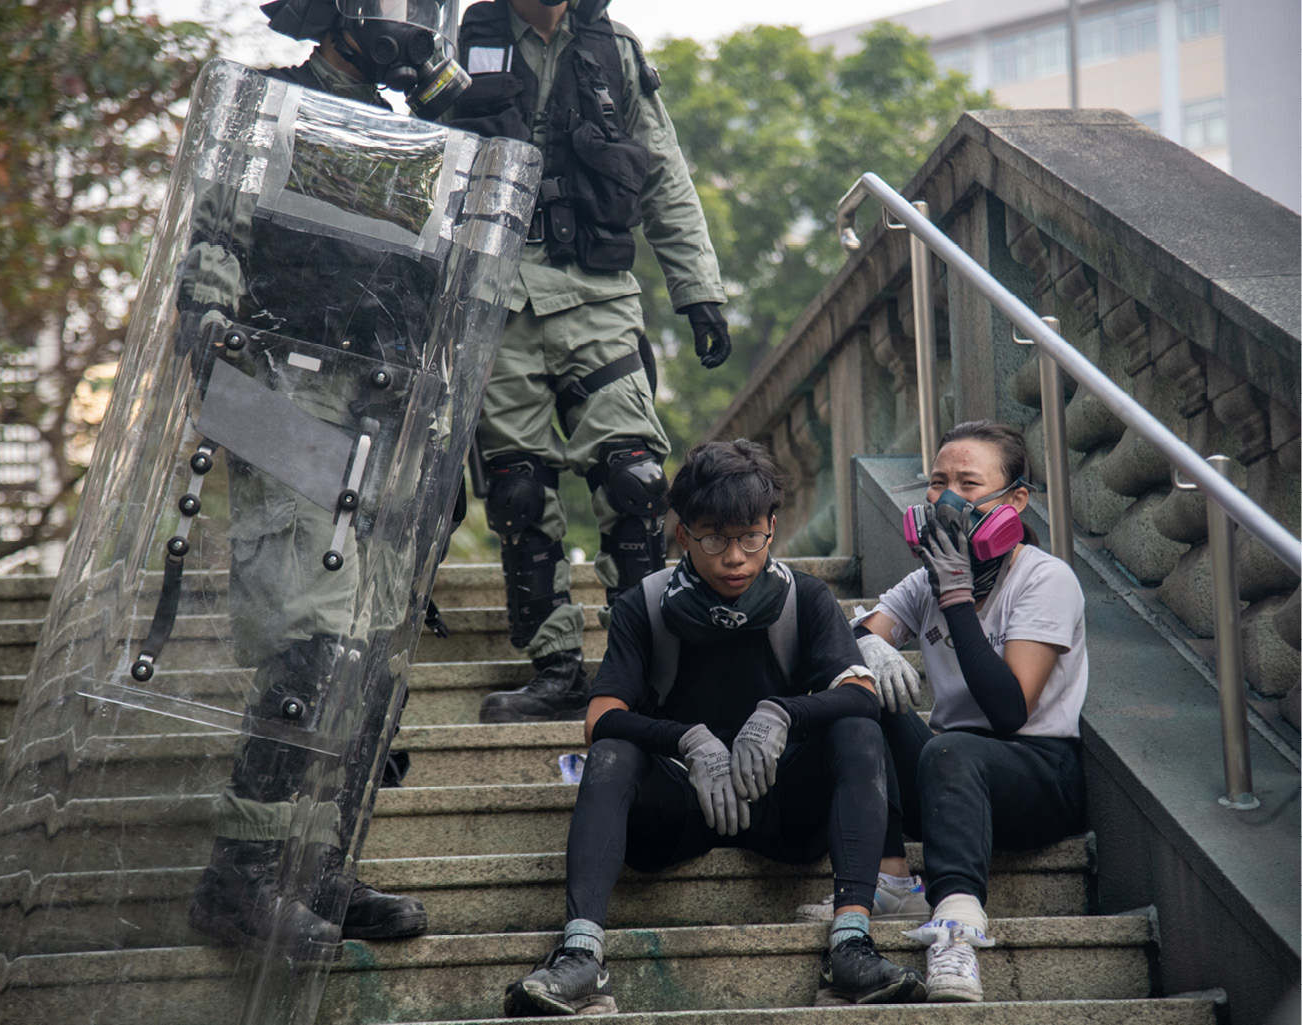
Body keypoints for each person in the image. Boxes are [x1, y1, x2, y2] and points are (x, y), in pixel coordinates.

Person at [182, 0, 481, 959]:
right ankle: (239, 881)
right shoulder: (273, 105)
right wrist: (212, 330)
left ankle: (313, 867)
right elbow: (217, 235)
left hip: (386, 412)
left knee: (367, 663)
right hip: (283, 391)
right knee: (312, 648)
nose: (412, 22)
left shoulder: (421, 128)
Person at [500, 440, 927, 1016]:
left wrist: (781, 713)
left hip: (781, 808)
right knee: (612, 754)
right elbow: (600, 718)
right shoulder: (644, 605)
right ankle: (580, 956)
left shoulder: (806, 598)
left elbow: (860, 693)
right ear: (683, 537)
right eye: (714, 538)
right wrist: (688, 741)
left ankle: (851, 944)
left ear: (772, 528)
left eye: (750, 536)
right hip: (679, 809)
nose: (734, 557)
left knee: (858, 730)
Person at [445, 0, 733, 724]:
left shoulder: (616, 51)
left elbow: (664, 175)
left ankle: (646, 663)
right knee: (515, 488)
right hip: (495, 296)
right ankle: (556, 666)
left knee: (633, 476)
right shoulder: (456, 43)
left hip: (597, 290)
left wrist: (699, 293)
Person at [851, 420, 1088, 1002]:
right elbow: (851, 645)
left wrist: (957, 598)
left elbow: (1009, 711)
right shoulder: (921, 583)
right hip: (946, 775)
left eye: (968, 483)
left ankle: (956, 928)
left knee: (951, 749)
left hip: (1037, 772)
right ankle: (891, 878)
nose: (948, 498)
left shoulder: (1045, 579)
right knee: (858, 695)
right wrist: (866, 645)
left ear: (1016, 500)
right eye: (937, 482)